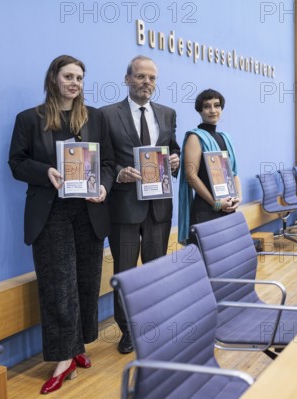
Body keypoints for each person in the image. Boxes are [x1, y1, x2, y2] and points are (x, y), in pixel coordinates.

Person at [8, 55, 115, 395]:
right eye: (68, 76)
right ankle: (62, 358)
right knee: (58, 286)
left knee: (84, 282)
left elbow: (110, 164)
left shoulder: (96, 118)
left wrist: (103, 186)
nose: (75, 83)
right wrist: (46, 172)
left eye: (80, 77)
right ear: (53, 78)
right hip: (50, 211)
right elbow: (16, 162)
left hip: (88, 211)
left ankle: (77, 347)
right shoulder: (29, 119)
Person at [101, 55, 180, 354]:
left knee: (155, 269)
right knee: (125, 272)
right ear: (127, 79)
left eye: (152, 78)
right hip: (123, 206)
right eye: (140, 76)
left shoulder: (167, 114)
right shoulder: (107, 115)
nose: (147, 82)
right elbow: (103, 159)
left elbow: (171, 149)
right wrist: (119, 172)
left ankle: (153, 323)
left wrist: (174, 159)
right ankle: (128, 330)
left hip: (158, 205)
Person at [178, 89, 242, 244]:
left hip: (228, 207)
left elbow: (234, 173)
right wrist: (216, 203)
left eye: (217, 105)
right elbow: (191, 176)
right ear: (199, 110)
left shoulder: (225, 138)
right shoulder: (195, 137)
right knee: (205, 262)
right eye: (207, 106)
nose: (213, 110)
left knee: (226, 259)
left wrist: (238, 197)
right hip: (206, 210)